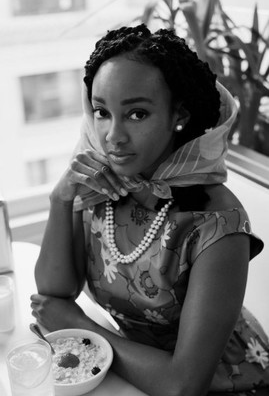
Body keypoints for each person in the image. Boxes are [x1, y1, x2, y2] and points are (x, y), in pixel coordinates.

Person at [30, 24, 269, 396]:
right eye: (101, 112)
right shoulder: (105, 189)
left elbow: (184, 385)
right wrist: (60, 201)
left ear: (180, 115)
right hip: (130, 376)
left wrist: (87, 330)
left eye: (136, 114)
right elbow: (54, 292)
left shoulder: (219, 226)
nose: (113, 136)